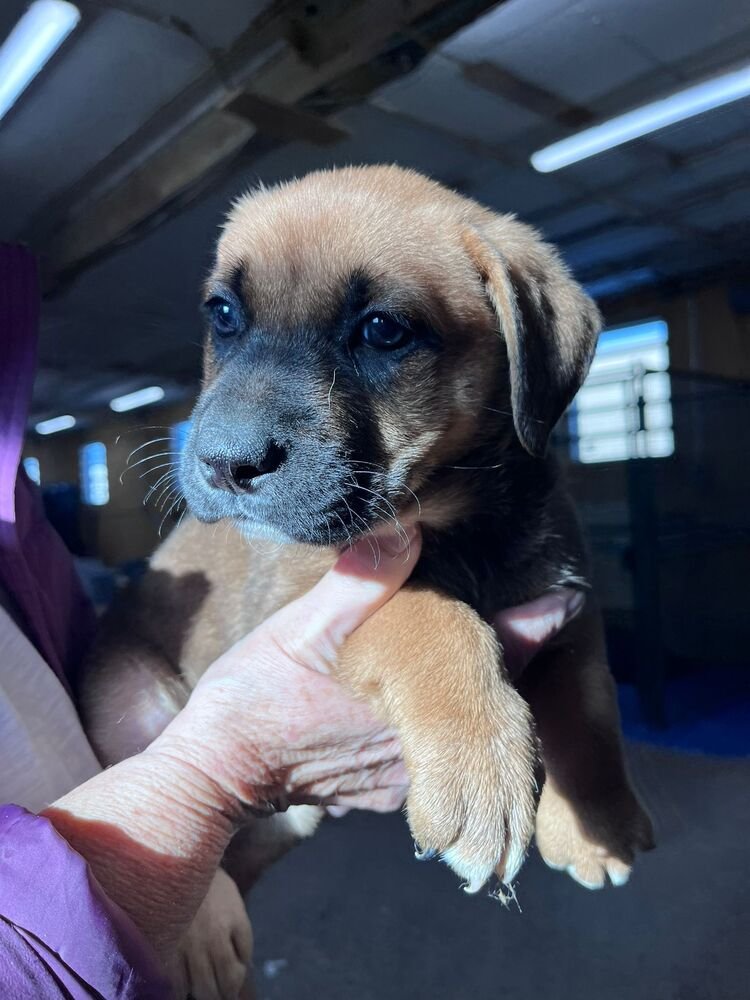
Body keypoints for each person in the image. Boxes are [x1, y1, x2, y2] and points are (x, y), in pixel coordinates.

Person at [0, 244, 583, 998]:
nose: (225, 439)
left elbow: (67, 670)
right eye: (226, 317)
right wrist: (188, 813)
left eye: (382, 330)